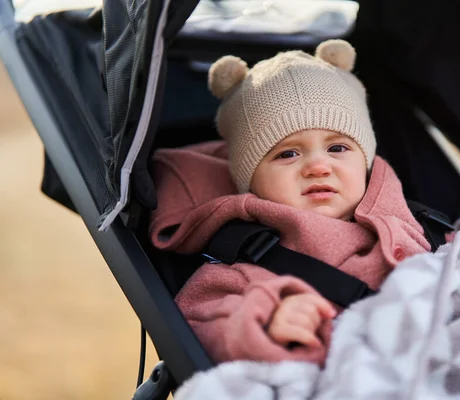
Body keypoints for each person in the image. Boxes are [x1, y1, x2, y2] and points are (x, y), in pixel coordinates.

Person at [149, 39, 432, 366]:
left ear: (365, 160)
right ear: (250, 180)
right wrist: (266, 321)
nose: (318, 167)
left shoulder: (416, 222)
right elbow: (199, 322)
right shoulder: (247, 260)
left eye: (337, 148)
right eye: (288, 154)